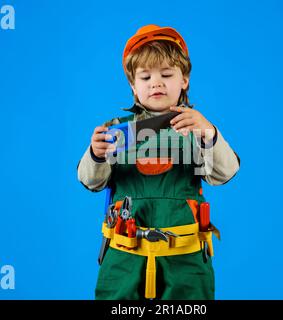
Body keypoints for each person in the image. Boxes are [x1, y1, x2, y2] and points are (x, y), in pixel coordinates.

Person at [77, 24, 240, 300]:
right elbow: (91, 181)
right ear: (133, 85)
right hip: (124, 262)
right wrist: (95, 154)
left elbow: (224, 174)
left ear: (184, 79)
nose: (156, 83)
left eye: (166, 74)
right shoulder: (116, 133)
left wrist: (210, 135)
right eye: (145, 76)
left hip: (185, 264)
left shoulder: (196, 129)